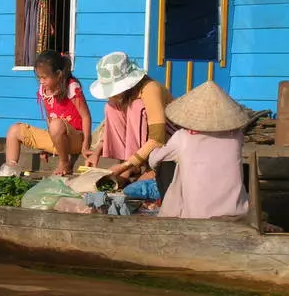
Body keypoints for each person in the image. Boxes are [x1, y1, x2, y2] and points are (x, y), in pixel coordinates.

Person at [148, 80, 250, 219]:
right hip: (236, 209)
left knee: (166, 164)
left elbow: (154, 160)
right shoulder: (237, 136)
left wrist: (157, 149)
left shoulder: (183, 137)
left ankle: (174, 212)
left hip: (196, 215)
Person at [0, 50, 92, 176]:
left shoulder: (71, 87)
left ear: (58, 74)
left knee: (56, 124)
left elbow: (86, 116)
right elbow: (49, 118)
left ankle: (64, 163)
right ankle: (10, 170)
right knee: (14, 130)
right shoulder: (44, 89)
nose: (41, 81)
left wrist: (85, 145)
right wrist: (48, 146)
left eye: (44, 77)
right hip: (57, 138)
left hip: (75, 140)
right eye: (39, 77)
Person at [85, 51, 174, 181]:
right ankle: (132, 165)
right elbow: (110, 124)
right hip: (138, 154)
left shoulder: (150, 89)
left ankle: (149, 167)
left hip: (167, 140)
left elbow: (157, 139)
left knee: (136, 107)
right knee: (111, 107)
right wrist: (97, 151)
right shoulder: (122, 96)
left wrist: (124, 166)